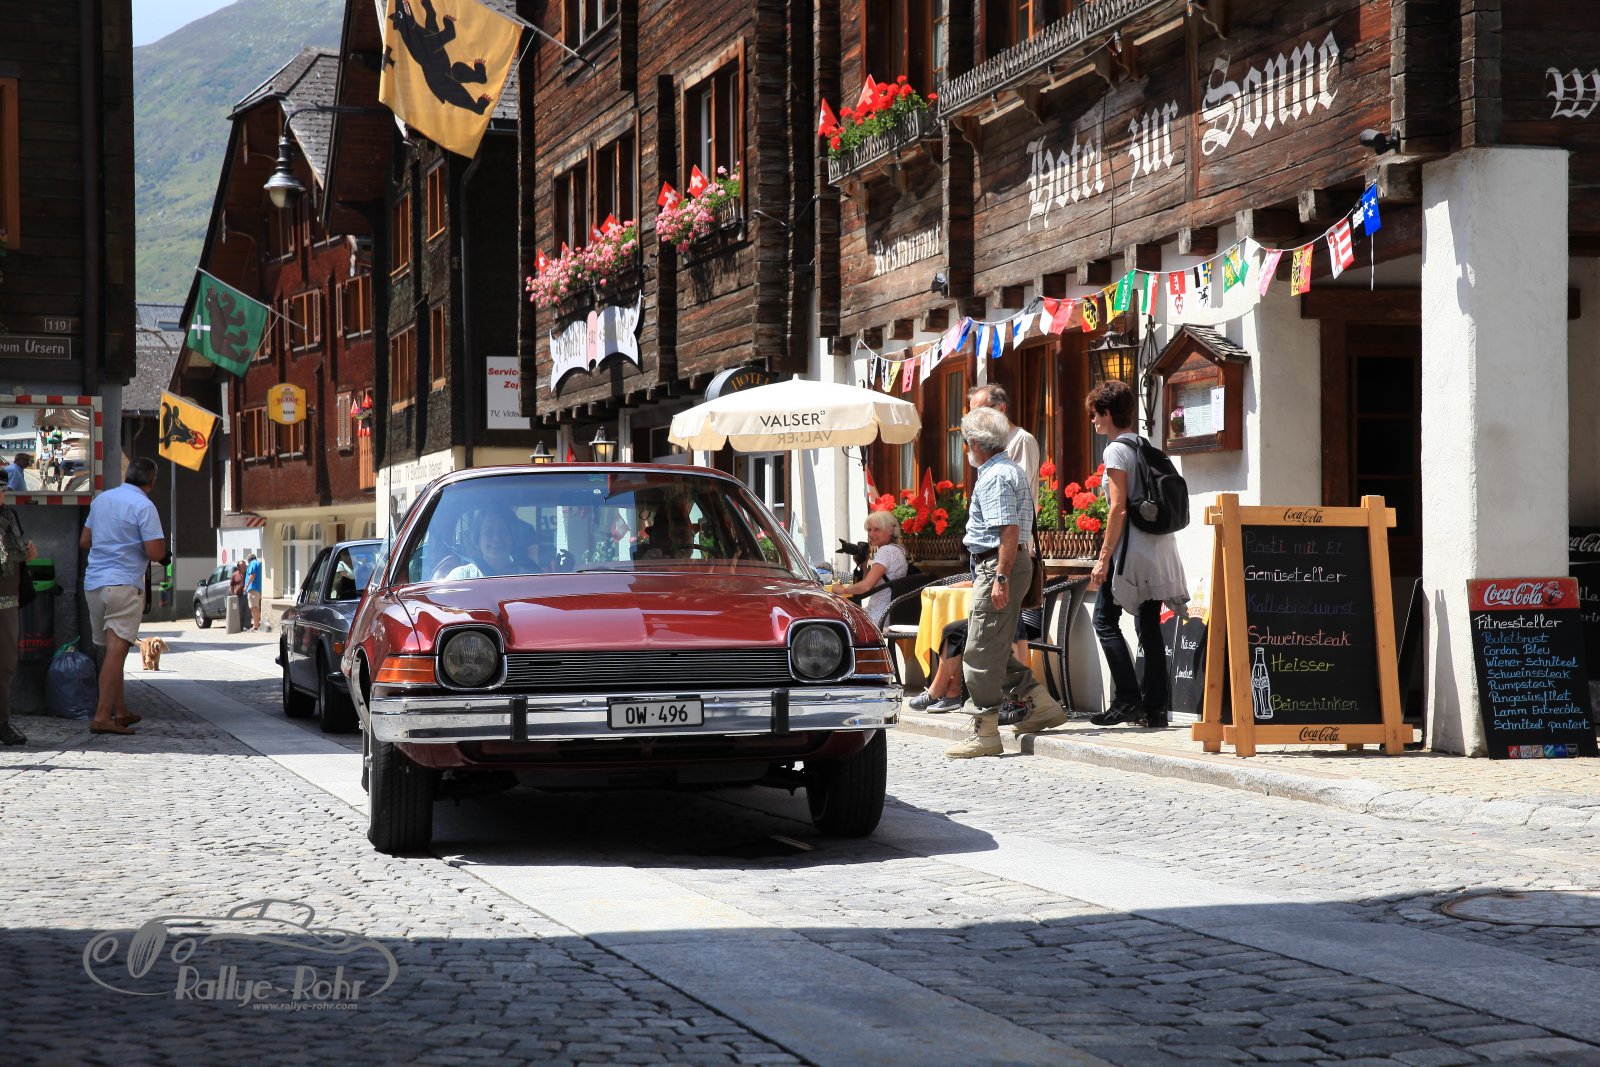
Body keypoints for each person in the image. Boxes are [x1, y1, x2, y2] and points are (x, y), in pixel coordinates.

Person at [945, 407, 1065, 759]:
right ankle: (1040, 704)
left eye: (965, 442)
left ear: (975, 443)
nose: (965, 449)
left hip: (998, 565)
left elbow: (1008, 531)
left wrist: (1000, 577)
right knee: (992, 646)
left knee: (979, 650)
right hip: (1005, 565)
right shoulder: (1008, 469)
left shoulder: (995, 476)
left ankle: (985, 732)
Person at [1085, 379, 1188, 728]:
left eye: (1095, 415)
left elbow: (1117, 509)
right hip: (1157, 549)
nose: (1093, 421)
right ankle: (1155, 708)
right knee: (1148, 625)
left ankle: (1127, 699)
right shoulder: (1145, 445)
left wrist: (1103, 558)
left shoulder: (1115, 450)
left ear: (1107, 413)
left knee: (1104, 620)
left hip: (1131, 552)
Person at [81, 457, 165, 735]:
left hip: (94, 584)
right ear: (151, 482)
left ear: (127, 475)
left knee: (111, 652)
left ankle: (121, 711)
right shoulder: (144, 505)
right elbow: (156, 553)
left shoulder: (101, 500)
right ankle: (102, 717)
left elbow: (84, 541)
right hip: (124, 584)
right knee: (117, 652)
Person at [0, 480, 39, 745]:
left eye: (3, 489)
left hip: (7, 601)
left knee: (5, 664)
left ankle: (2, 723)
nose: (3, 494)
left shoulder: (9, 516)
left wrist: (29, 554)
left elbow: (18, 554)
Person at [827, 511, 909, 626]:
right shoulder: (899, 550)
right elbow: (871, 584)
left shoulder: (885, 551)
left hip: (878, 616)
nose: (871, 534)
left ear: (890, 530)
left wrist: (842, 590)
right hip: (890, 614)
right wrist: (864, 566)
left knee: (832, 618)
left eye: (877, 529)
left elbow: (866, 586)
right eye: (869, 530)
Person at [967, 384, 1041, 499]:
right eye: (973, 413)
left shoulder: (1022, 440)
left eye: (982, 412)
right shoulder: (987, 444)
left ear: (1002, 408)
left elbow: (1018, 490)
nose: (976, 418)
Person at [439, 510, 523, 579]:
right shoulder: (460, 577)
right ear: (478, 538)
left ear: (512, 537)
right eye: (489, 532)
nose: (496, 538)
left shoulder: (526, 577)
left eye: (503, 531)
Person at [245, 552, 263, 631]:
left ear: (249, 560)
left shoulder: (252, 563)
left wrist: (246, 586)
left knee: (253, 607)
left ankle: (256, 625)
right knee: (255, 607)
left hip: (253, 588)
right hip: (257, 588)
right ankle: (258, 624)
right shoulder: (258, 563)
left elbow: (252, 575)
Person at [229, 560, 249, 628]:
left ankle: (246, 626)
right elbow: (231, 585)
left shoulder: (248, 574)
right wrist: (233, 594)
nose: (244, 567)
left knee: (248, 612)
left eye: (245, 566)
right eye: (242, 566)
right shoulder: (235, 575)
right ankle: (240, 626)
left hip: (247, 595)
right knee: (240, 612)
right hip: (239, 596)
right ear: (238, 567)